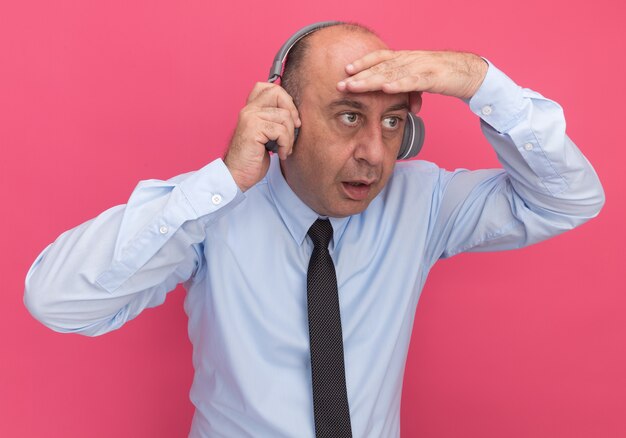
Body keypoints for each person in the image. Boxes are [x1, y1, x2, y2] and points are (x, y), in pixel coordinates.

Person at [24, 22, 604, 438]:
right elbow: (57, 302)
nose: (375, 155)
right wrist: (222, 181)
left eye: (394, 121)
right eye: (349, 116)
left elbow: (569, 199)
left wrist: (479, 80)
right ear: (284, 114)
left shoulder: (421, 199)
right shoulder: (209, 208)